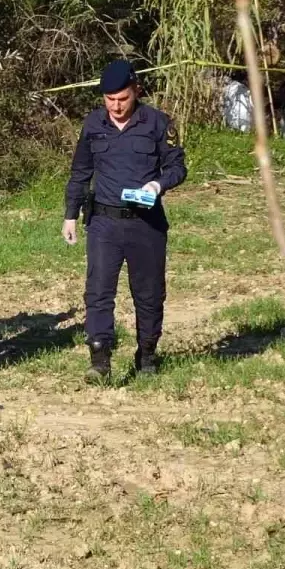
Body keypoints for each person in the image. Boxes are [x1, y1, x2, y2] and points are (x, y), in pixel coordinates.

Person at [62, 59, 187, 384]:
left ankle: (147, 353)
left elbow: (177, 167)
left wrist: (158, 185)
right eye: (109, 99)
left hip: (146, 224)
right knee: (98, 291)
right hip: (104, 222)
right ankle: (99, 360)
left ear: (136, 91)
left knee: (148, 294)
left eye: (122, 98)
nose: (116, 106)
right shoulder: (93, 125)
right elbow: (80, 172)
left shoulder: (158, 123)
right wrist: (70, 215)